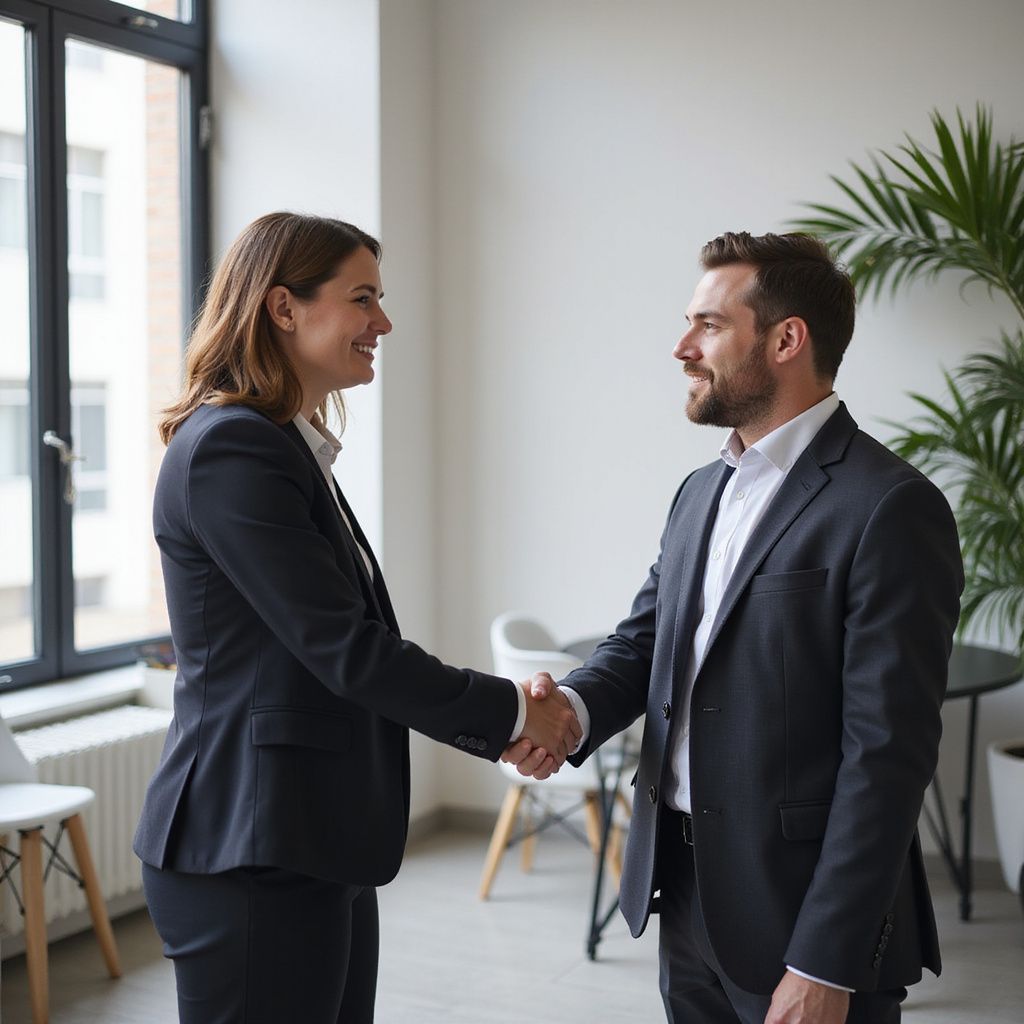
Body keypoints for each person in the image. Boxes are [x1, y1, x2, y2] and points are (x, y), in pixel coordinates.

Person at [505, 232, 963, 1024]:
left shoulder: (891, 506)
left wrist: (827, 955)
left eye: (708, 325)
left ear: (787, 339)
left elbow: (888, 756)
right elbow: (648, 641)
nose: (682, 347)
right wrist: (568, 713)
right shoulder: (699, 491)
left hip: (802, 914)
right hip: (681, 891)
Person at [134, 211, 580, 1024]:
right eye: (363, 298)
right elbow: (347, 649)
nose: (383, 322)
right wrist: (515, 710)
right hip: (250, 844)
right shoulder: (234, 450)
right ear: (283, 309)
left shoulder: (278, 444)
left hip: (307, 833)